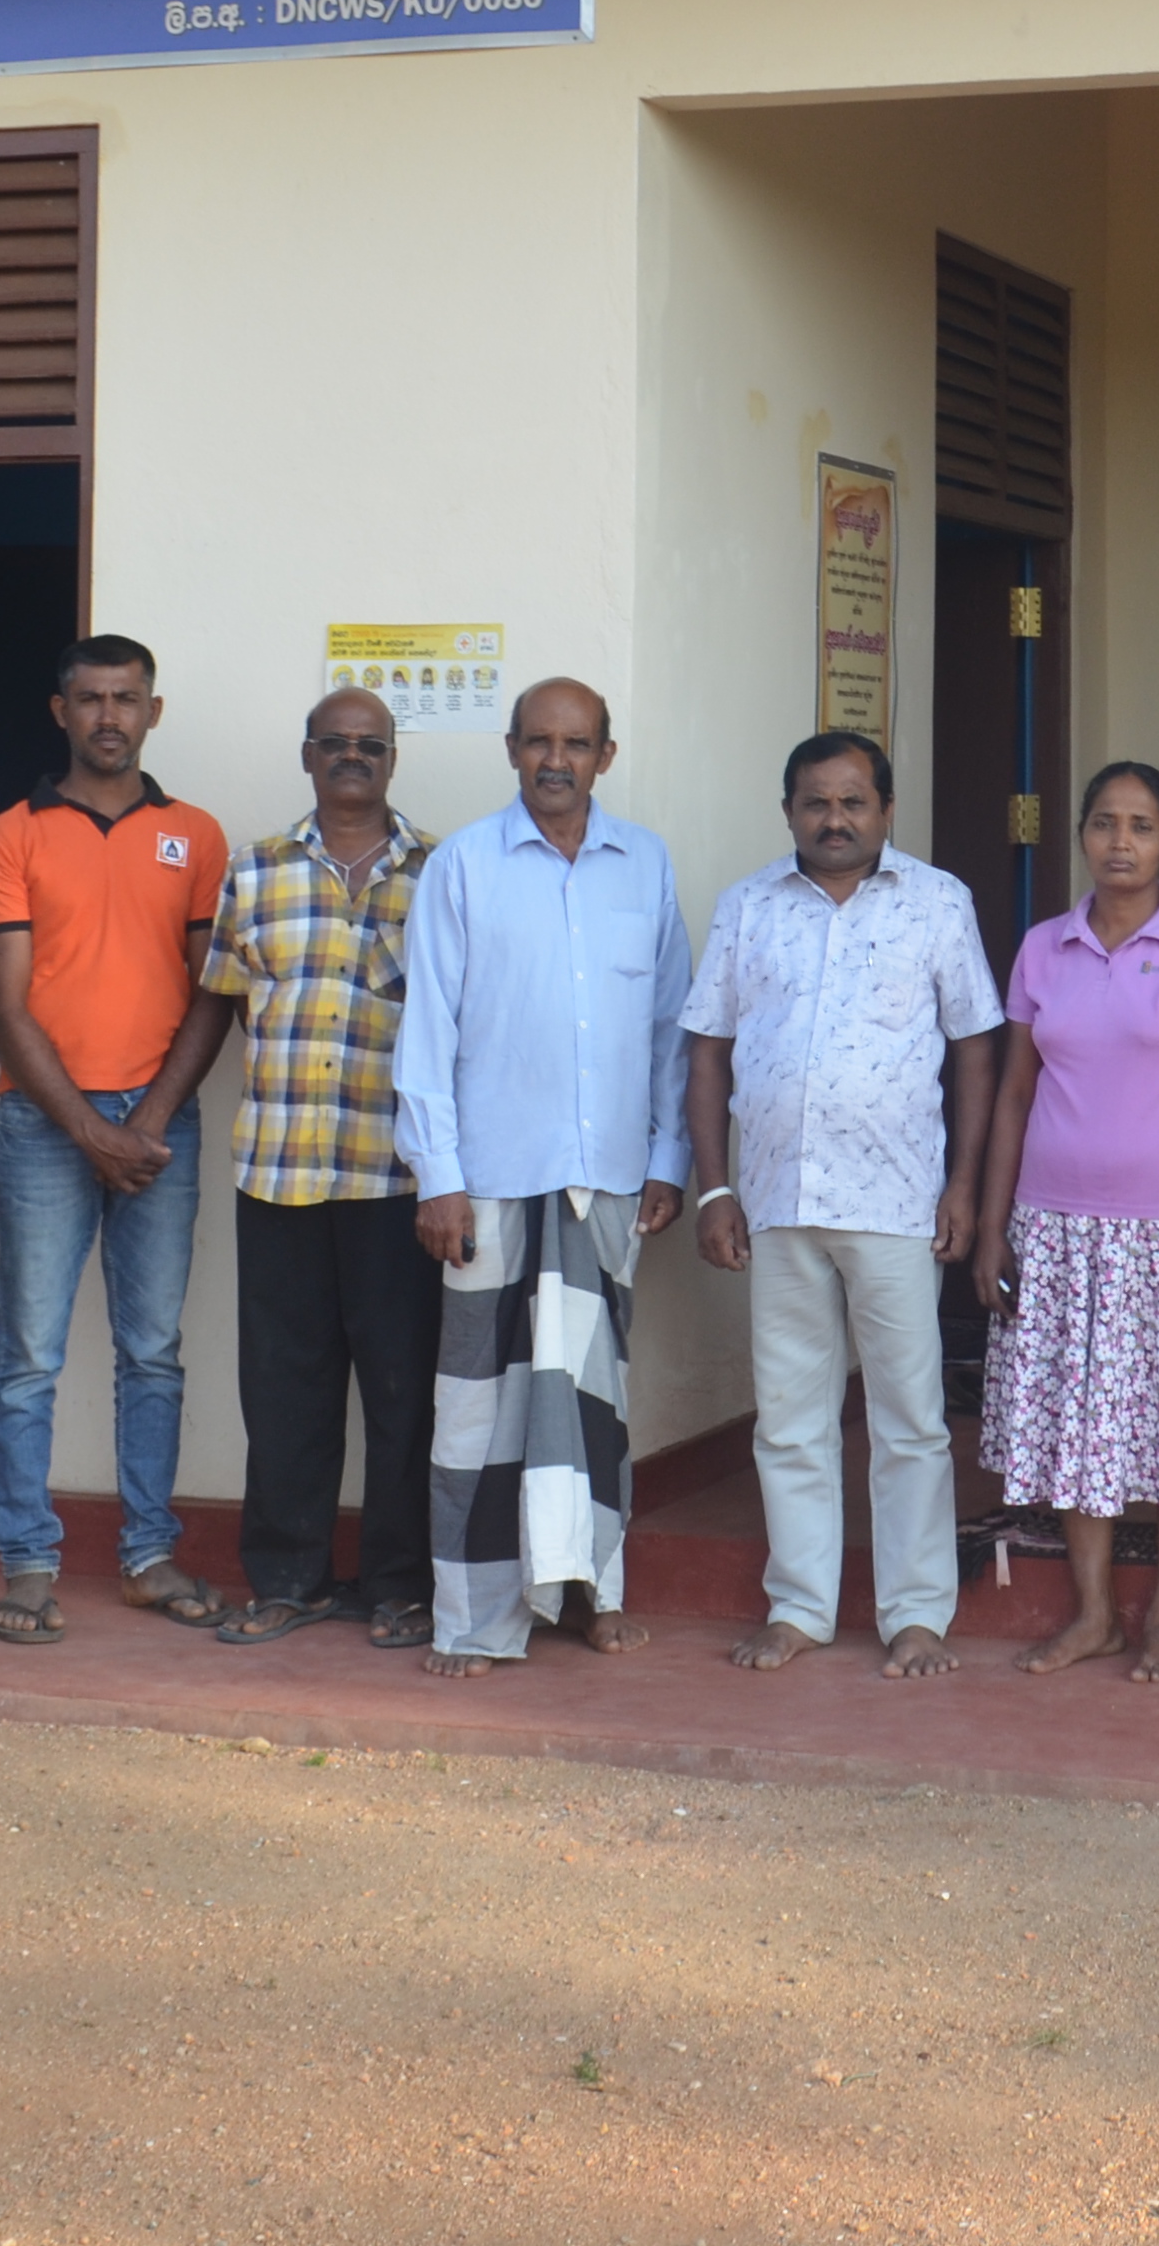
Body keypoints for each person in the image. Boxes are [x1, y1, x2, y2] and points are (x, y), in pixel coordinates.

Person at [683, 730, 1001, 1680]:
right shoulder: (748, 907)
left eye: (853, 802)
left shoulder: (938, 902)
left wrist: (963, 1185)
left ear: (886, 810)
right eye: (816, 803)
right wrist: (715, 1186)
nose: (834, 819)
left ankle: (916, 1615)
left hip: (898, 1202)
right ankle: (800, 1607)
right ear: (788, 811)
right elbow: (708, 1051)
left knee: (910, 1420)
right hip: (777, 1200)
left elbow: (975, 1048)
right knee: (789, 1419)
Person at [395, 677, 693, 1679]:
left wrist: (668, 1159)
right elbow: (427, 1031)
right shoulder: (464, 865)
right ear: (511, 749)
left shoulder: (643, 863)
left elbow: (670, 1031)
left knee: (592, 1401)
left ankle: (594, 1593)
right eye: (537, 742)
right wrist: (437, 1178)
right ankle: (476, 1620)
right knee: (480, 1413)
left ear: (605, 755)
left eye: (575, 744)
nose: (554, 761)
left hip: (605, 1179)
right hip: (488, 1179)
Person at [970, 758, 1159, 1684]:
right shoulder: (1042, 948)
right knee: (1077, 1423)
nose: (1120, 842)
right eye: (1104, 823)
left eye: (1141, 826)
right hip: (1055, 1227)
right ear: (1081, 836)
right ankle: (1095, 1614)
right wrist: (993, 1226)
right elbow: (1015, 1096)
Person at [0, 636, 234, 1646]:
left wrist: (147, 1122)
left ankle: (147, 1555)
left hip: (160, 1123)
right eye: (90, 699)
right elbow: (3, 1006)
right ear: (61, 711)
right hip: (44, 1124)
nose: (109, 716)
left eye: (127, 699)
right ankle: (29, 1563)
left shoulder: (194, 835)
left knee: (153, 1352)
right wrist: (88, 1129)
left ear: (152, 712)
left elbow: (214, 992)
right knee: (28, 1356)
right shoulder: (12, 836)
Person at [203, 685, 447, 1649]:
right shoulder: (255, 868)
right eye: (335, 743)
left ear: (392, 760)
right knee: (283, 1390)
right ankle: (288, 1579)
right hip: (282, 1171)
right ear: (308, 755)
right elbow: (232, 998)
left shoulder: (443, 873)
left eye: (370, 745)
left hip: (398, 1178)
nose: (353, 757)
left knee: (403, 1390)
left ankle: (399, 1586)